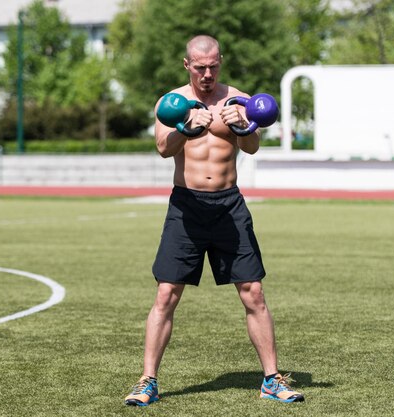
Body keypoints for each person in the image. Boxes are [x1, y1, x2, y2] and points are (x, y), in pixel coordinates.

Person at [124, 35, 304, 406]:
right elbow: (163, 149)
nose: (207, 74)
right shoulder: (172, 101)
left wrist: (241, 125)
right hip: (186, 208)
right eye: (200, 67)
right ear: (186, 64)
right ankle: (147, 381)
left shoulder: (237, 98)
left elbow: (252, 147)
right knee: (166, 294)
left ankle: (271, 379)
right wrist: (187, 127)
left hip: (229, 207)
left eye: (214, 66)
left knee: (253, 292)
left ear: (220, 61)